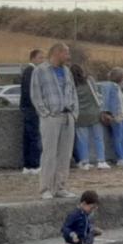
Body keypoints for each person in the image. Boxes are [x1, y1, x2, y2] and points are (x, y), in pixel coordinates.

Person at [30, 43, 78, 200]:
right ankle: (45, 188)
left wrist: (74, 113)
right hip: (51, 117)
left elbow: (73, 92)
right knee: (49, 154)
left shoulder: (67, 71)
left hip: (67, 116)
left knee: (65, 154)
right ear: (57, 53)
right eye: (66, 53)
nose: (68, 56)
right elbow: (36, 94)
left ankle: (60, 187)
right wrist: (46, 114)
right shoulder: (40, 71)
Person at [70, 64, 107, 170]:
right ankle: (101, 160)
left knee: (82, 140)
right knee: (98, 138)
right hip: (94, 112)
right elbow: (96, 94)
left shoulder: (72, 85)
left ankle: (85, 162)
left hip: (80, 115)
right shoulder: (89, 81)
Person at [99, 68, 123, 167]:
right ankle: (120, 157)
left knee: (122, 137)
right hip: (116, 115)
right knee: (118, 137)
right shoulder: (111, 86)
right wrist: (107, 112)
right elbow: (106, 100)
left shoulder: (118, 87)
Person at [20, 49, 45, 174]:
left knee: (28, 137)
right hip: (32, 109)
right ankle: (35, 165)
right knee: (34, 137)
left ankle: (28, 165)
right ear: (33, 58)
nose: (42, 61)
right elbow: (31, 93)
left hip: (27, 109)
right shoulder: (32, 72)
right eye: (40, 58)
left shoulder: (27, 71)